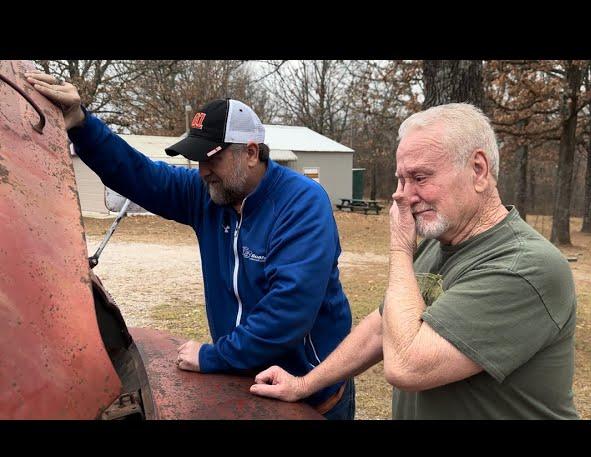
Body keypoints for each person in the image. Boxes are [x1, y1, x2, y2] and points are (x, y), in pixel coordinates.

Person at [26, 70, 355, 420]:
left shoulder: (301, 204)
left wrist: (214, 356)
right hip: (248, 386)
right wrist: (81, 124)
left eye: (212, 158)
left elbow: (287, 314)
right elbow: (140, 175)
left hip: (310, 393)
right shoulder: (210, 196)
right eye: (197, 160)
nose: (202, 171)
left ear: (252, 153)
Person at [250, 103, 580, 420]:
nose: (404, 196)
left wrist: (399, 248)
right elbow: (382, 328)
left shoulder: (525, 266)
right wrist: (304, 384)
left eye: (420, 178)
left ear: (478, 170)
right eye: (401, 179)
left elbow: (408, 365)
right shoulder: (439, 244)